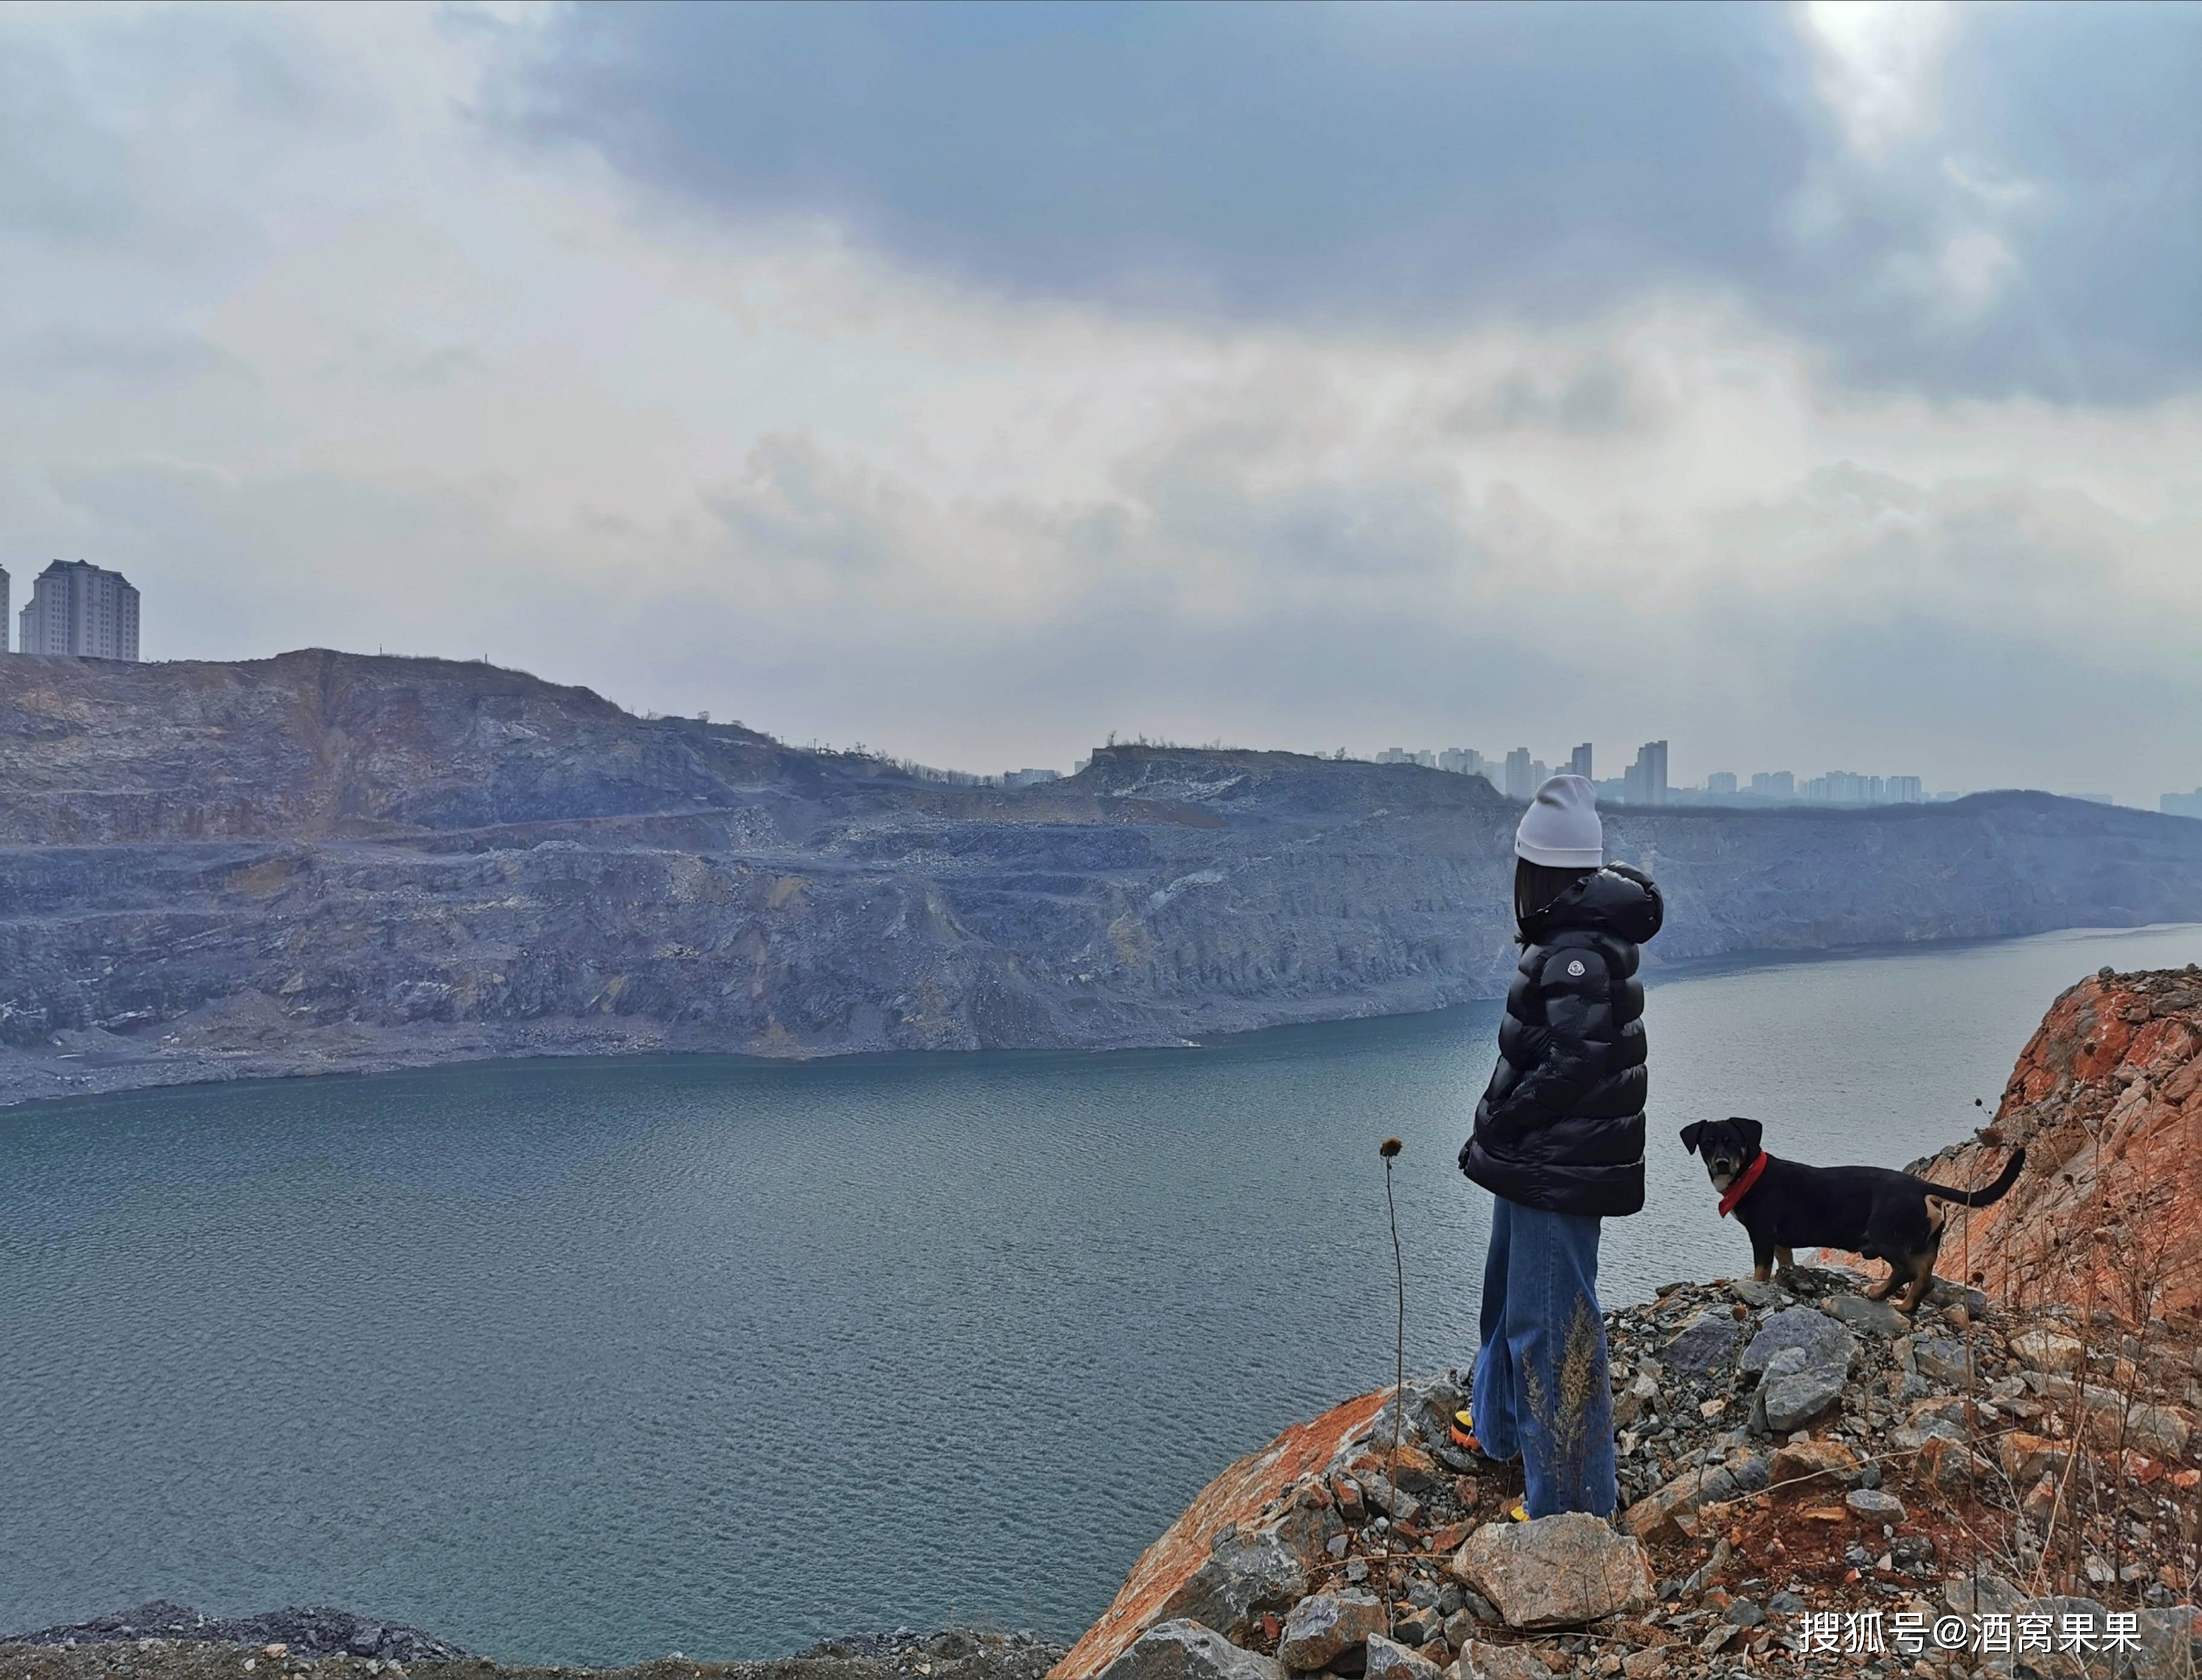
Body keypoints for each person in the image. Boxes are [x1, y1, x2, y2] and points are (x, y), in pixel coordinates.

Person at [1456, 774, 1663, 1518]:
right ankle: (1500, 1427)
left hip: (1557, 1166)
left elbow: (1572, 1063)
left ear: (1536, 871)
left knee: (1552, 1326)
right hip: (1539, 1161)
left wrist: (1500, 1121)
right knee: (1508, 1296)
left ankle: (1570, 1504)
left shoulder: (1574, 950)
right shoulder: (1569, 936)